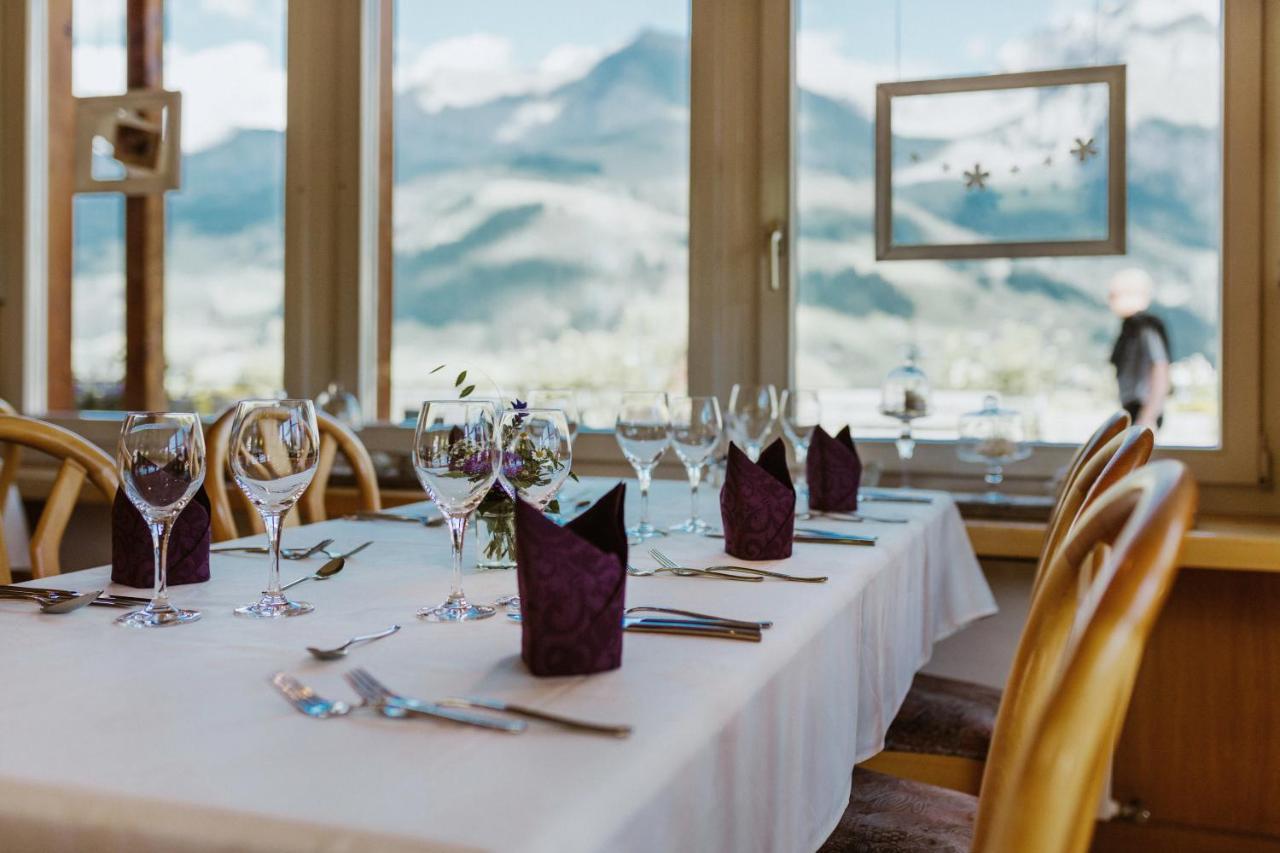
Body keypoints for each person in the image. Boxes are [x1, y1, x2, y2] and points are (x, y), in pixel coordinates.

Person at [1107, 268, 1171, 430]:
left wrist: (1148, 415)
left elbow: (1160, 369)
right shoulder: (1129, 330)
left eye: (1114, 295)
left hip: (1142, 409)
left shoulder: (1145, 329)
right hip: (1133, 408)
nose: (1110, 300)